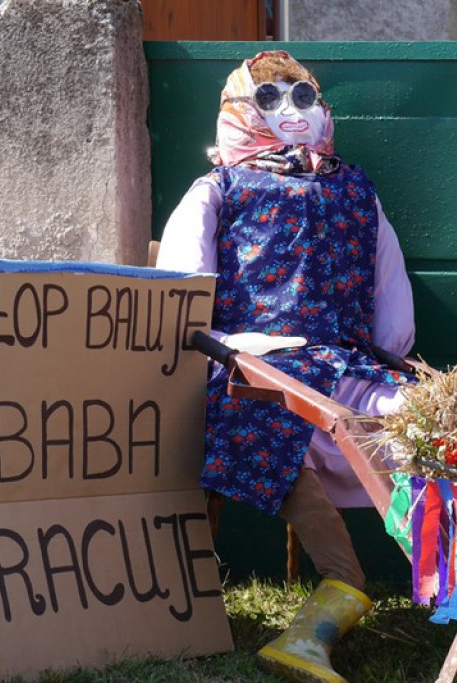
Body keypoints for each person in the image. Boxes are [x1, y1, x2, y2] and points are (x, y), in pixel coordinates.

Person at [157, 50, 415, 683]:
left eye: (301, 98)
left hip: (344, 365)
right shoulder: (218, 188)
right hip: (248, 362)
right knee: (273, 419)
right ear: (245, 110)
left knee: (419, 426)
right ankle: (340, 589)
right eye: (271, 99)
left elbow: (393, 322)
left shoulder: (354, 189)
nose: (290, 113)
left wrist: (388, 356)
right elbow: (183, 289)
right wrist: (228, 345)